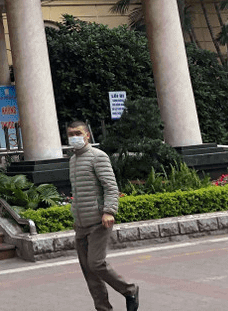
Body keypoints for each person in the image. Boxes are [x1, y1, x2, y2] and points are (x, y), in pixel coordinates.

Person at [67, 121, 139, 311]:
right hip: (80, 224)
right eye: (71, 134)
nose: (74, 137)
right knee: (89, 272)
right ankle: (103, 308)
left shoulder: (97, 157)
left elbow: (110, 187)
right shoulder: (73, 160)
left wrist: (109, 211)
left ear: (87, 135)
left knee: (96, 263)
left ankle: (129, 290)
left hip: (99, 221)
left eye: (78, 133)